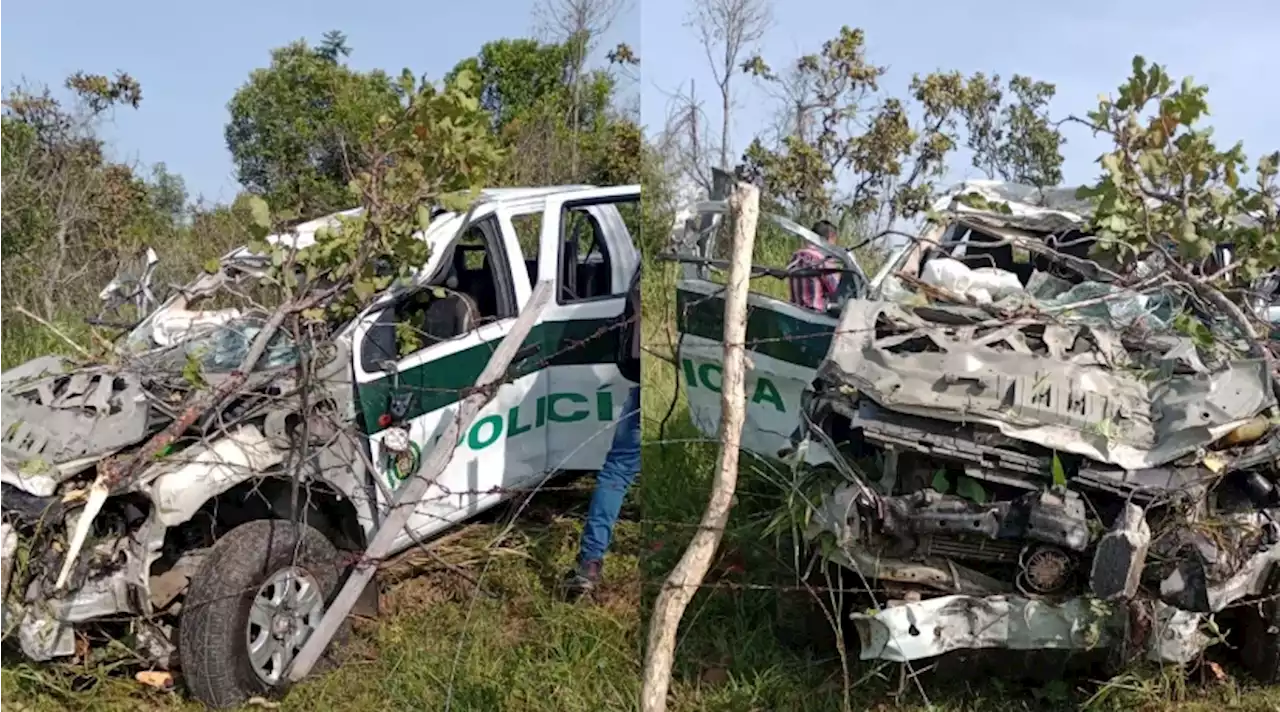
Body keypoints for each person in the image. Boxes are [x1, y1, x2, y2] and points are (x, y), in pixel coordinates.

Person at [562, 262, 642, 600]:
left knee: (617, 471)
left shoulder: (641, 272)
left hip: (641, 379)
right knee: (621, 468)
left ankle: (590, 563)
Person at [787, 220, 843, 313]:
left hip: (794, 309)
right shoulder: (823, 259)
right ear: (831, 238)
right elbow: (835, 289)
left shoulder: (796, 255)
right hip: (815, 311)